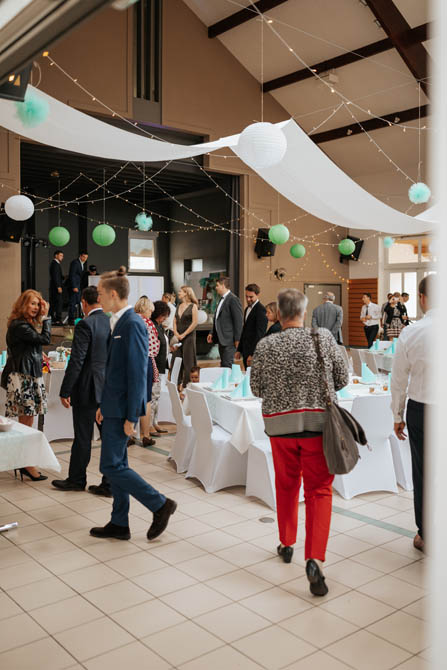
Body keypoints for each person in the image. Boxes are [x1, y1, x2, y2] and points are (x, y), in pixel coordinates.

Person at [251, 288, 348, 596]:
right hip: (319, 427)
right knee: (319, 490)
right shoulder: (323, 339)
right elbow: (342, 378)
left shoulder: (266, 345)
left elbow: (255, 388)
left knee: (286, 485)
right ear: (305, 312)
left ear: (278, 313)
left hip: (280, 428)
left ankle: (286, 542)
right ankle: (315, 558)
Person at [90, 270, 177, 541]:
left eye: (102, 293)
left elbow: (138, 373)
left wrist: (132, 416)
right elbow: (116, 372)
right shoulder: (119, 321)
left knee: (111, 466)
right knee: (118, 464)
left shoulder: (132, 324)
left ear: (113, 294)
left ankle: (160, 504)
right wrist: (104, 404)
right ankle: (119, 522)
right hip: (113, 406)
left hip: (123, 409)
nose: (99, 297)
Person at [52, 286, 111, 496]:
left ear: (84, 303)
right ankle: (109, 483)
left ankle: (77, 480)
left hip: (86, 389)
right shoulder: (111, 322)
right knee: (109, 439)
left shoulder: (85, 324)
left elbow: (76, 360)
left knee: (83, 437)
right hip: (106, 390)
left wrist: (65, 389)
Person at [391, 276, 434, 553]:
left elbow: (398, 379)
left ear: (421, 297)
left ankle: (427, 535)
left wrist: (397, 415)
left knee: (424, 473)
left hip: (423, 409)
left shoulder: (413, 332)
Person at [1, 290, 51, 482]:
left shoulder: (25, 324)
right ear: (23, 304)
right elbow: (45, 339)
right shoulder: (19, 325)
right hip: (23, 376)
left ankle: (24, 460)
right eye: (32, 304)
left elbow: (33, 346)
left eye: (38, 304)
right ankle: (26, 463)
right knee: (26, 422)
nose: (36, 308)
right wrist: (46, 318)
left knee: (28, 421)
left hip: (29, 374)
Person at [131, 296, 159, 447]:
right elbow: (154, 349)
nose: (151, 314)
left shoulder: (129, 320)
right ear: (146, 309)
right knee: (146, 400)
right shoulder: (148, 323)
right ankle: (146, 435)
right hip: (144, 362)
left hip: (129, 363)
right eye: (150, 311)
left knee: (131, 397)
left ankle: (129, 435)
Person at [207, 277, 243, 368]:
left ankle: (229, 382)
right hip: (221, 340)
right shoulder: (221, 299)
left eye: (217, 285)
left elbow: (238, 321)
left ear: (223, 286)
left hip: (229, 340)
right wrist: (212, 332)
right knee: (224, 365)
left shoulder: (233, 299)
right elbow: (217, 319)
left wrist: (237, 340)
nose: (216, 288)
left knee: (227, 365)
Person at [150, 300, 171, 435]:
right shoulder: (153, 327)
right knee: (153, 397)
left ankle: (155, 422)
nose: (166, 318)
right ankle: (151, 424)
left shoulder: (159, 327)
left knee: (156, 397)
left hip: (161, 366)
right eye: (165, 315)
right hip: (155, 367)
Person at [235, 283, 268, 368]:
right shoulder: (247, 309)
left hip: (253, 353)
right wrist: (239, 350)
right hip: (245, 351)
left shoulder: (261, 310)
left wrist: (252, 354)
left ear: (257, 295)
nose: (248, 299)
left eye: (251, 297)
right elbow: (245, 330)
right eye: (246, 296)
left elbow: (259, 335)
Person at [172, 286, 198, 386]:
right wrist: (176, 333)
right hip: (178, 337)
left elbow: (194, 323)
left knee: (188, 361)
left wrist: (184, 334)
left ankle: (187, 385)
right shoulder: (179, 305)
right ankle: (176, 384)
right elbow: (174, 321)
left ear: (186, 293)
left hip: (189, 337)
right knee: (176, 360)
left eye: (180, 291)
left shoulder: (193, 306)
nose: (178, 293)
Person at [68, 251, 88, 324]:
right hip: (75, 286)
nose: (85, 259)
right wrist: (74, 286)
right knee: (72, 302)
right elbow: (72, 275)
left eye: (86, 257)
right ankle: (71, 319)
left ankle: (77, 317)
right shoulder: (75, 263)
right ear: (80, 256)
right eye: (84, 257)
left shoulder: (82, 264)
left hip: (78, 286)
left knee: (78, 302)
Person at [49, 250, 64, 325]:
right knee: (58, 303)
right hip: (56, 287)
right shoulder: (55, 264)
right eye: (61, 255)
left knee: (54, 303)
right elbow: (55, 276)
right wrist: (58, 286)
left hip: (55, 287)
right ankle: (57, 319)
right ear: (56, 255)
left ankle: (52, 318)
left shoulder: (56, 264)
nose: (62, 257)